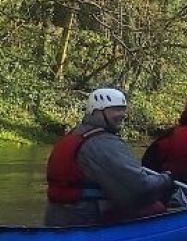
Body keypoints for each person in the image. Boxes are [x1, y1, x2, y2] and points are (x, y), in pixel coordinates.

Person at [44, 87, 174, 227]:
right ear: (98, 111)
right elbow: (139, 188)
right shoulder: (101, 143)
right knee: (155, 208)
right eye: (116, 109)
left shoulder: (76, 134)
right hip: (83, 220)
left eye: (123, 109)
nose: (123, 114)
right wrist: (166, 179)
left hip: (59, 218)